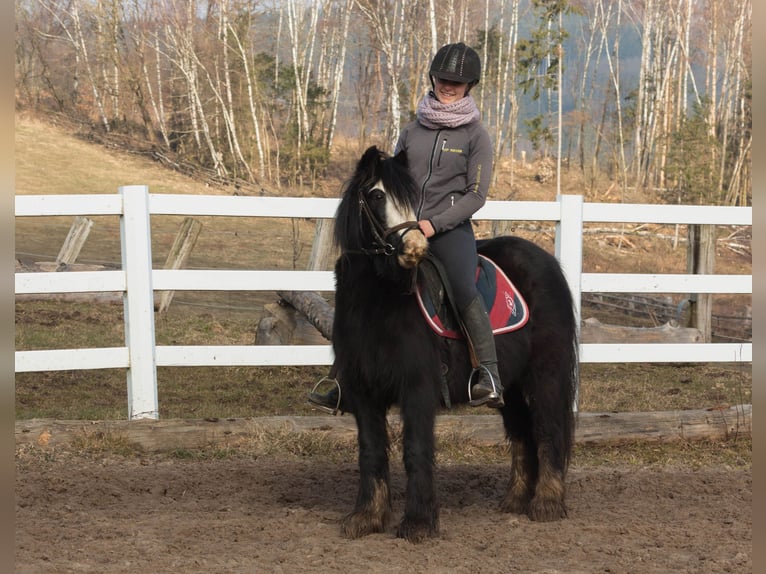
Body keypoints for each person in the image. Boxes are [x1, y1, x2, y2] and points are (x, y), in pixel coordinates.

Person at [308, 42, 503, 412]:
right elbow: (394, 180)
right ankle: (342, 379)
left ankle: (487, 374)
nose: (448, 86)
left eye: (457, 82)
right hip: (403, 229)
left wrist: (434, 224)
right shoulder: (412, 130)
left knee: (463, 287)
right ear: (433, 78)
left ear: (470, 86)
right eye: (444, 78)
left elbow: (476, 196)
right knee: (363, 284)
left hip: (449, 230)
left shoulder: (476, 136)